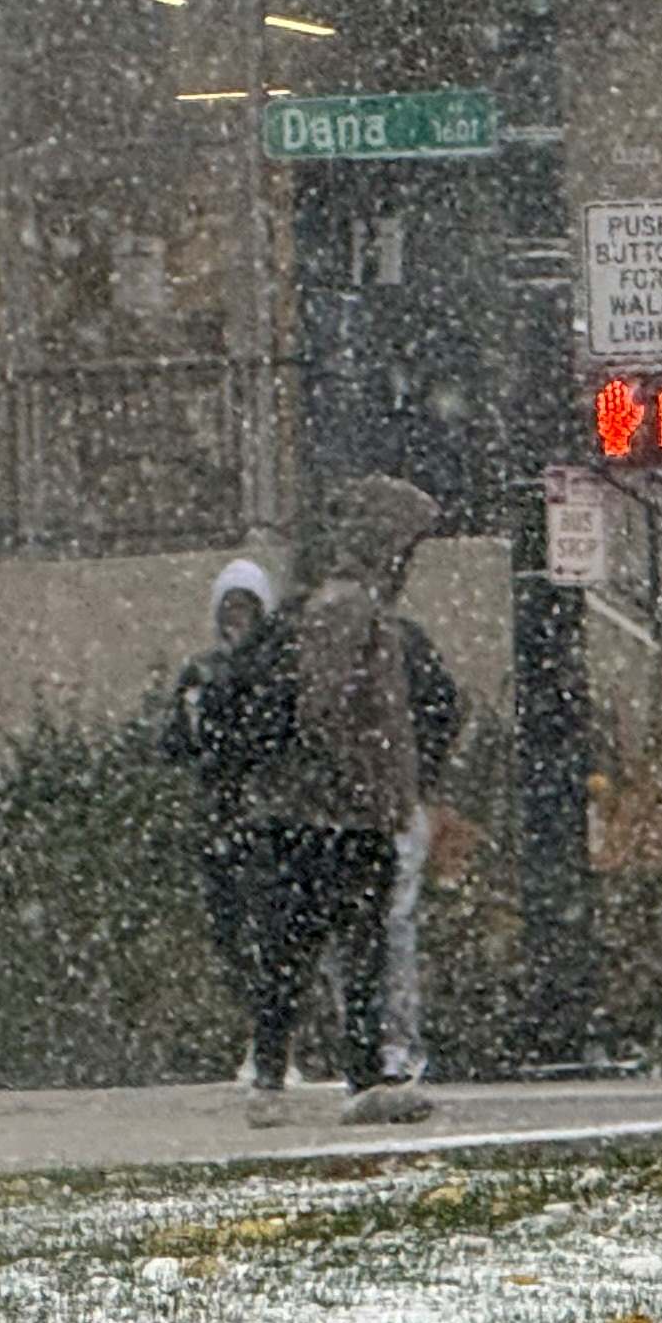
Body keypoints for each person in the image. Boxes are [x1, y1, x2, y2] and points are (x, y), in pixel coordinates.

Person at [257, 474, 440, 1126]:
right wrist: (369, 786)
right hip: (336, 814)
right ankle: (333, 1070)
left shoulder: (351, 604)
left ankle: (305, 1069)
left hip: (335, 811)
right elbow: (327, 707)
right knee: (336, 943)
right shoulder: (348, 608)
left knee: (319, 943)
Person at [164, 558, 291, 1051]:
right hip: (222, 814)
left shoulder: (277, 669)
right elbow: (176, 745)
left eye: (246, 607)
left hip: (268, 814)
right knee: (229, 927)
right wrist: (192, 720)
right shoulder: (201, 672)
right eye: (229, 608)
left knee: (276, 927)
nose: (237, 618)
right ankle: (254, 1028)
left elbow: (275, 737)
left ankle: (277, 1036)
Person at [376, 612, 466, 1084]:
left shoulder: (396, 642)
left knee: (385, 922)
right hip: (385, 800)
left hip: (373, 803)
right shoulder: (398, 640)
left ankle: (388, 1042)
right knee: (391, 922)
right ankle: (389, 1042)